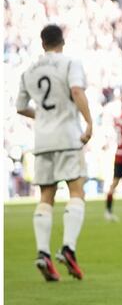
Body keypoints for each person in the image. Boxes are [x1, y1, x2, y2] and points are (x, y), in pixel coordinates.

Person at [15, 24, 92, 282]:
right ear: (62, 41)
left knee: (46, 195)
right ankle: (68, 248)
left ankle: (43, 253)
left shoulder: (29, 71)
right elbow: (77, 91)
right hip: (67, 136)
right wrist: (89, 121)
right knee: (76, 191)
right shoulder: (70, 63)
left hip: (43, 140)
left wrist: (43, 117)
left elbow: (20, 107)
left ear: (42, 43)